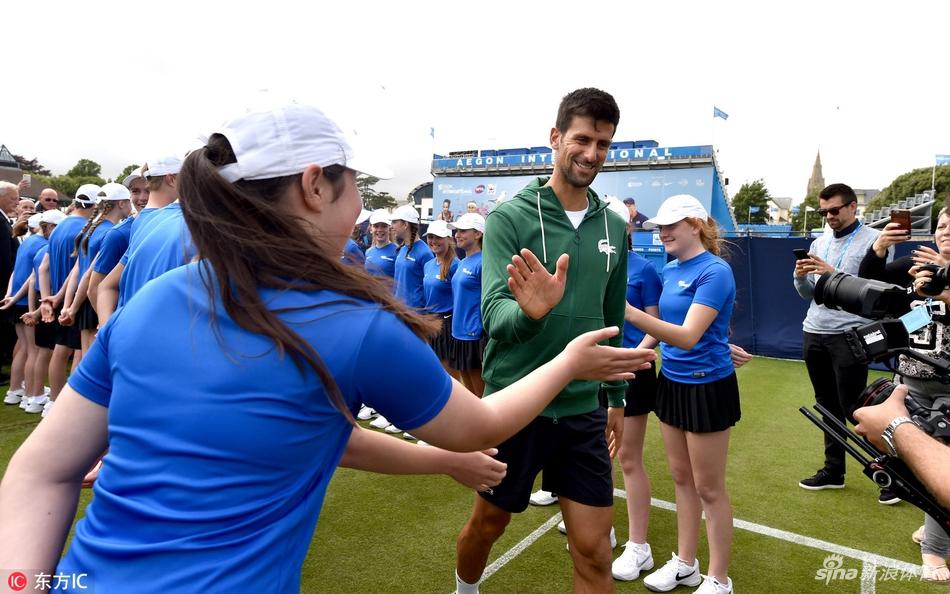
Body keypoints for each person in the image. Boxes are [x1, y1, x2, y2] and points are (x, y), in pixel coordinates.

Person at [0, 102, 653, 594]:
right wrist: (571, 362)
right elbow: (477, 426)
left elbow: (39, 471)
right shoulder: (355, 326)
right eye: (355, 184)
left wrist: (22, 582)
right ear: (316, 184)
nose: (363, 202)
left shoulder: (153, 301)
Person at [454, 88, 653, 594]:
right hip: (517, 403)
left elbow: (611, 316)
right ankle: (465, 588)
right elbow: (494, 317)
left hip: (583, 408)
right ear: (555, 138)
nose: (591, 153)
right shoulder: (510, 218)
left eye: (603, 144)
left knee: (593, 549)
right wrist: (530, 312)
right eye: (582, 139)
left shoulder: (612, 223)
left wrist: (615, 397)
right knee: (488, 526)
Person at [623, 195, 738, 594]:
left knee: (709, 487)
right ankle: (685, 564)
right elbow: (661, 329)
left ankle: (720, 578)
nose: (663, 231)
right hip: (671, 383)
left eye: (672, 224)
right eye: (661, 225)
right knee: (681, 479)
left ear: (696, 225)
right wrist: (633, 358)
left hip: (708, 387)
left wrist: (628, 312)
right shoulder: (670, 269)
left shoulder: (716, 271)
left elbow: (688, 336)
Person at [857, 208, 950, 582]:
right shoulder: (919, 264)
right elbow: (870, 282)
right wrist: (880, 248)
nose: (945, 232)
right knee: (914, 460)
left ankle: (935, 550)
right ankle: (935, 519)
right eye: (942, 225)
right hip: (909, 382)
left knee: (942, 454)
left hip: (947, 388)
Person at [792, 183, 891, 501]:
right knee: (827, 407)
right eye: (824, 212)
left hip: (851, 335)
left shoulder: (875, 241)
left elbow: (876, 292)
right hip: (815, 331)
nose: (829, 217)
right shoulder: (818, 242)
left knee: (857, 409)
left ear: (853, 207)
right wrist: (799, 277)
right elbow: (809, 293)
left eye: (834, 210)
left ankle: (890, 473)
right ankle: (834, 470)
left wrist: (831, 272)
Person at [36, 184, 97, 416]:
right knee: (78, 353)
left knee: (59, 351)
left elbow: (43, 268)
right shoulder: (86, 229)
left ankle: (54, 402)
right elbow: (79, 270)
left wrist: (46, 301)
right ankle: (69, 408)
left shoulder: (59, 227)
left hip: (58, 297)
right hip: (76, 299)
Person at [1, 213, 44, 406]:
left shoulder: (26, 242)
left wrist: (10, 295)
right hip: (27, 302)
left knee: (24, 349)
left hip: (17, 302)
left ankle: (15, 390)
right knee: (34, 351)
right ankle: (31, 395)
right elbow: (33, 278)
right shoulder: (40, 245)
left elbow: (15, 273)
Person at [449, 212, 485, 397]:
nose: (457, 235)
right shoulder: (463, 262)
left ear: (478, 234)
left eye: (463, 231)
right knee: (469, 393)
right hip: (458, 334)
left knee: (480, 395)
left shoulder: (484, 262)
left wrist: (478, 329)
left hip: (474, 336)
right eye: (457, 231)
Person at [422, 218, 459, 379]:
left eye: (438, 237)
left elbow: (460, 299)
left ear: (448, 239)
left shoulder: (455, 265)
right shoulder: (428, 264)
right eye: (430, 237)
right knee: (434, 372)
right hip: (431, 322)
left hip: (447, 325)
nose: (433, 241)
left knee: (448, 376)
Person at [391, 203, 433, 309]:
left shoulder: (425, 252)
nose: (391, 226)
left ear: (405, 225)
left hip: (416, 315)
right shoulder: (402, 248)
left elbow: (430, 288)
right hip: (400, 312)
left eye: (395, 222)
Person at [364, 209, 397, 279]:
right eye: (376, 226)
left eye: (384, 226)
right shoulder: (368, 252)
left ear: (390, 228)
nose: (379, 230)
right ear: (371, 229)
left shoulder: (398, 251)